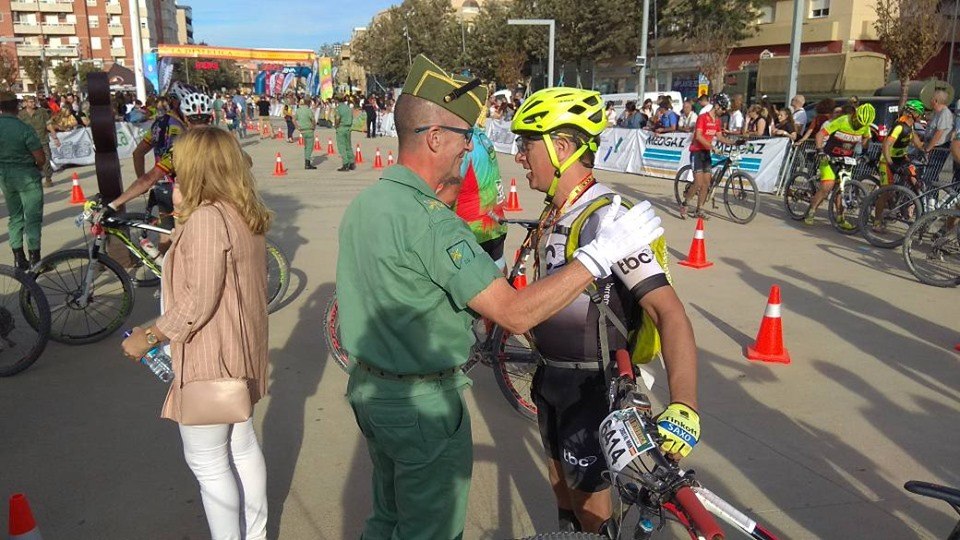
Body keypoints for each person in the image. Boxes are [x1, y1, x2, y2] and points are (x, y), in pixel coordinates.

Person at [336, 55, 664, 540]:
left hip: (371, 393)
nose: (469, 148)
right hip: (421, 408)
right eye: (464, 136)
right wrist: (597, 257)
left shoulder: (369, 202)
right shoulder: (431, 222)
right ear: (434, 138)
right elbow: (514, 313)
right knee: (429, 531)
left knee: (387, 518)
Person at [510, 86, 700, 534]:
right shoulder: (557, 210)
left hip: (592, 389)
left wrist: (685, 405)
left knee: (592, 512)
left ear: (561, 147)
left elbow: (669, 312)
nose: (519, 155)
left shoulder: (607, 218)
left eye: (527, 144)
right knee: (563, 494)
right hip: (551, 379)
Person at [121, 127, 272, 540]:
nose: (173, 175)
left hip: (211, 355)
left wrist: (149, 337)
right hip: (237, 350)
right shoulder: (240, 211)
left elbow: (197, 301)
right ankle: (255, 534)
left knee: (209, 463)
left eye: (179, 166)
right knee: (241, 446)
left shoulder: (208, 218)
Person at [103, 82, 213, 234]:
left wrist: (142, 182)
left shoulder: (159, 123)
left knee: (166, 235)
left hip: (161, 184)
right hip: (182, 188)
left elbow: (138, 153)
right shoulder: (178, 129)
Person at [806, 103, 875, 227]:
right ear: (854, 115)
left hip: (846, 160)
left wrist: (865, 152)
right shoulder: (842, 120)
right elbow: (820, 134)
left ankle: (840, 217)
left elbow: (866, 139)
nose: (859, 125)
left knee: (841, 189)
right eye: (858, 122)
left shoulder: (865, 126)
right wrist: (820, 150)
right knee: (827, 186)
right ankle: (811, 211)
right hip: (828, 157)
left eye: (862, 124)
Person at [0, 91, 46, 270]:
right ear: (16, 106)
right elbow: (40, 158)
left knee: (15, 216)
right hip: (27, 176)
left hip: (5, 176)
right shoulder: (24, 128)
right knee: (32, 216)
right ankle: (35, 258)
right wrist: (36, 166)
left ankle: (18, 257)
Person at [681, 93, 741, 220]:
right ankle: (685, 204)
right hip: (697, 152)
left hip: (706, 153)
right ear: (717, 106)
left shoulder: (717, 121)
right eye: (723, 109)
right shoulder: (702, 118)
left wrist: (734, 142)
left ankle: (699, 209)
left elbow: (720, 137)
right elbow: (698, 136)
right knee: (698, 182)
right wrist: (712, 147)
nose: (724, 112)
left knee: (706, 184)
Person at [454, 129, 508, 269]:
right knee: (498, 267)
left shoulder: (462, 140)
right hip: (494, 223)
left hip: (471, 229)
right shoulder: (480, 135)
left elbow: (449, 190)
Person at [18, 95, 54, 188]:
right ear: (25, 103)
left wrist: (54, 136)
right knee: (30, 161)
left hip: (43, 139)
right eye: (30, 102)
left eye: (34, 101)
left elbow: (48, 124)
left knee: (46, 159)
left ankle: (48, 178)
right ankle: (34, 179)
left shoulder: (42, 111)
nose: (33, 103)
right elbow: (18, 128)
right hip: (28, 141)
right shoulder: (21, 114)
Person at [294, 98, 317, 170]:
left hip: (302, 131)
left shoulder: (298, 110)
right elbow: (313, 120)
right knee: (309, 147)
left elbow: (293, 119)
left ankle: (307, 161)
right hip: (309, 130)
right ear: (308, 104)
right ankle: (307, 163)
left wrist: (297, 127)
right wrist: (314, 127)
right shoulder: (309, 110)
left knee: (306, 146)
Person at [333, 95, 355, 171]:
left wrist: (336, 125)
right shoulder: (348, 107)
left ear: (337, 100)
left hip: (341, 128)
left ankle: (345, 164)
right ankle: (352, 163)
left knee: (341, 146)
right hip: (348, 128)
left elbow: (337, 118)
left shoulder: (338, 108)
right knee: (348, 146)